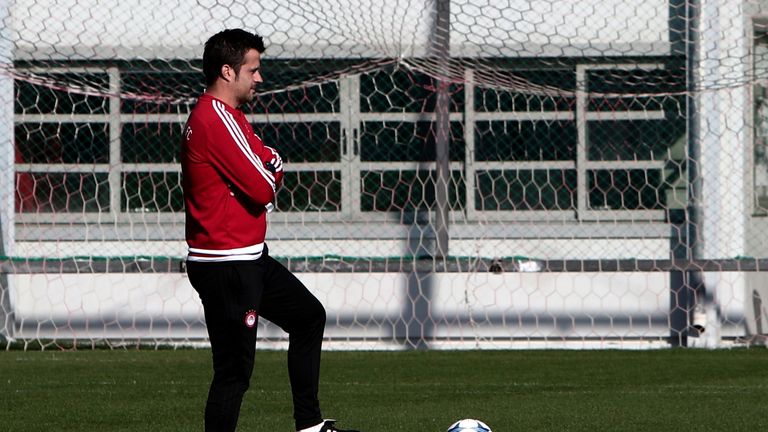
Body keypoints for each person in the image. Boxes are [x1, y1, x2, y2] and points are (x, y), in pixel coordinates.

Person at [181, 28, 360, 432]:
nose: (259, 78)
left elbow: (269, 161)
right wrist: (270, 173)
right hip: (226, 266)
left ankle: (309, 425)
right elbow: (264, 185)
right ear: (228, 72)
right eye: (253, 69)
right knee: (234, 372)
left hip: (250, 258)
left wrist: (270, 169)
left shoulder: (232, 118)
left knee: (309, 316)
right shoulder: (213, 120)